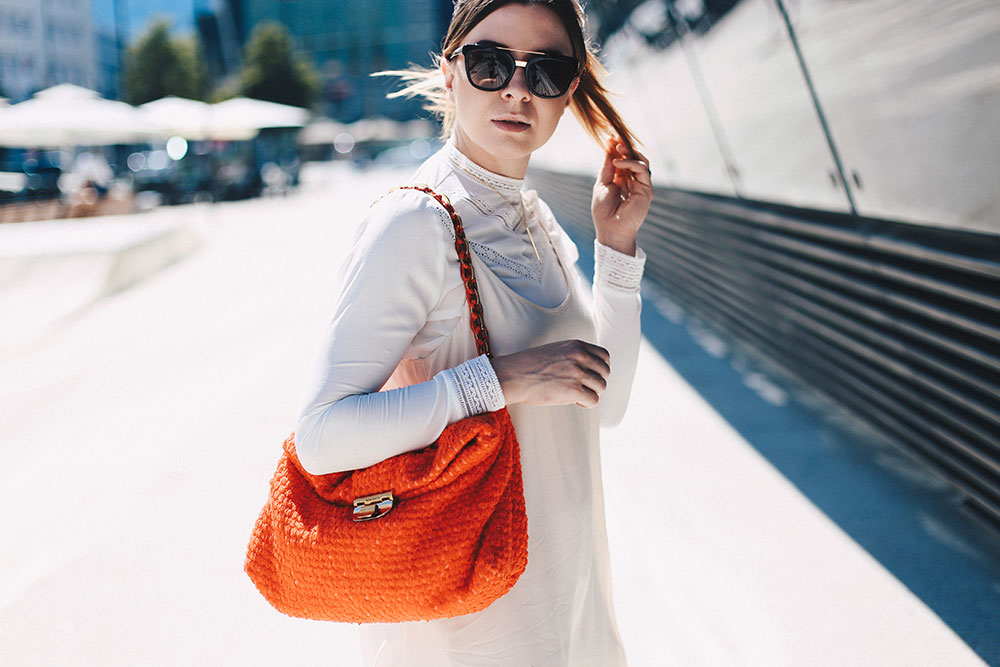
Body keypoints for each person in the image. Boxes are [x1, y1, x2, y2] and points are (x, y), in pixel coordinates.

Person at [294, 1, 653, 665]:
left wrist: (618, 248)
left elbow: (604, 404)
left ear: (569, 90)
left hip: (569, 604)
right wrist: (502, 379)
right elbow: (320, 437)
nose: (517, 88)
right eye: (491, 64)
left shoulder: (537, 218)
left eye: (545, 71)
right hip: (469, 632)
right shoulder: (413, 223)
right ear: (450, 70)